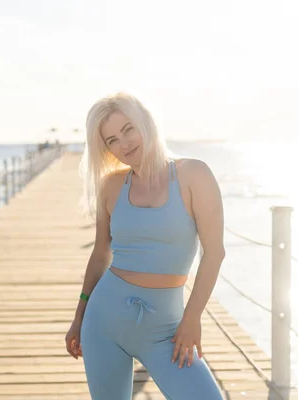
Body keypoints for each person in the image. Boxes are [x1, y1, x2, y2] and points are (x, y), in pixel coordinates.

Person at [65, 92, 226, 399]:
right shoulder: (111, 186)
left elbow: (214, 253)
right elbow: (101, 253)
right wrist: (80, 315)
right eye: (112, 139)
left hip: (167, 330)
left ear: (146, 123)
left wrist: (192, 318)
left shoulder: (193, 174)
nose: (124, 144)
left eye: (128, 129)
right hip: (103, 324)